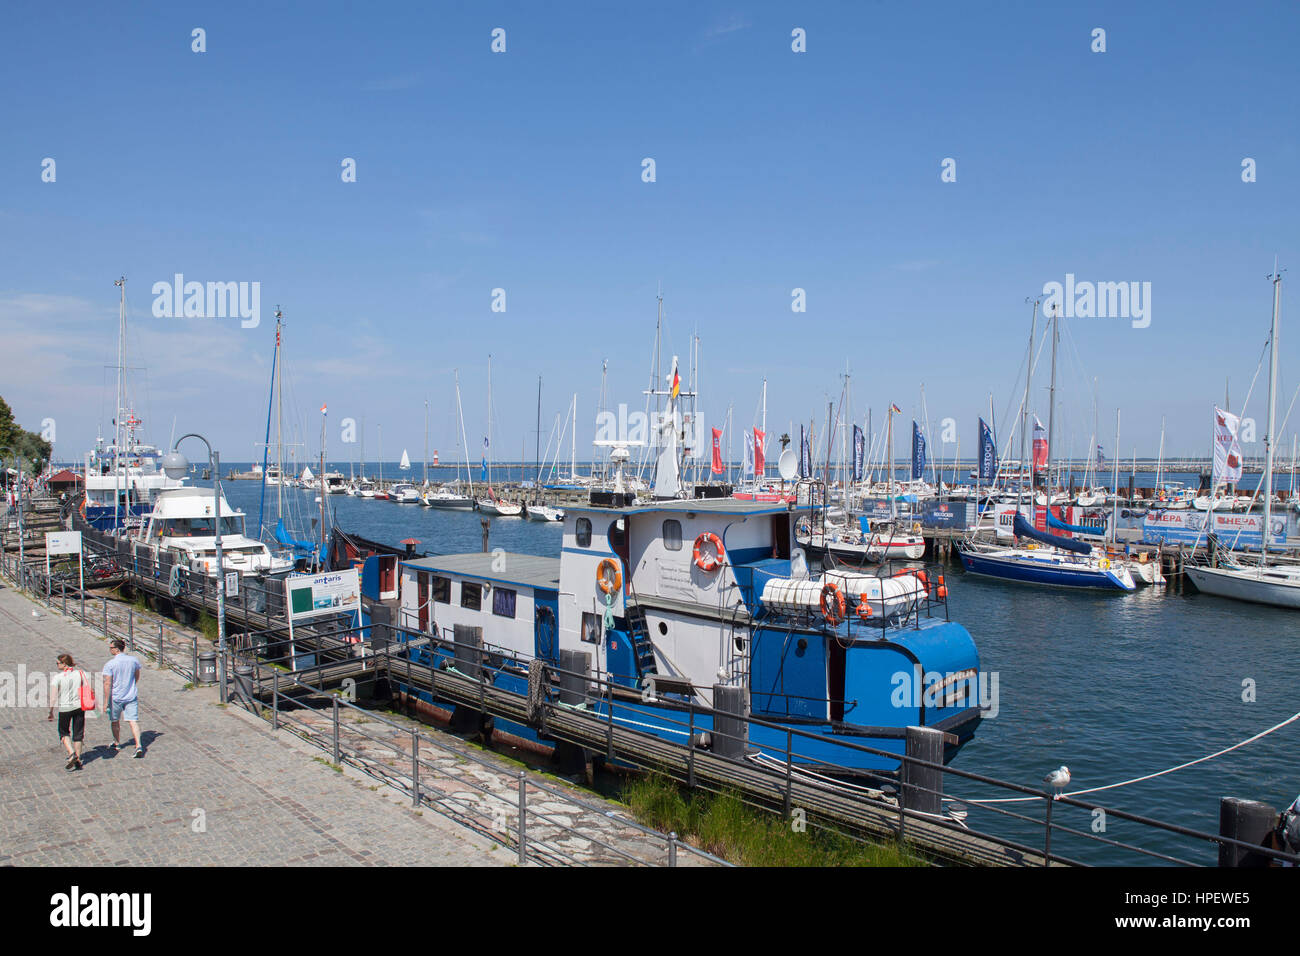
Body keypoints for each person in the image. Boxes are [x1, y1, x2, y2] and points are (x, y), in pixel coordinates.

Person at [102, 638, 143, 757]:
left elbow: (107, 683)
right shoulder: (133, 660)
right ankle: (138, 744)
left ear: (116, 649)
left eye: (111, 648)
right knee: (133, 721)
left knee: (115, 721)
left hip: (116, 697)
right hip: (131, 695)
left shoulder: (110, 664)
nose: (110, 650)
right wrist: (131, 685)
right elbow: (137, 675)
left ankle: (117, 742)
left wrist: (105, 702)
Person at [48, 653, 87, 771]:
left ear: (64, 664)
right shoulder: (80, 673)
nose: (57, 665)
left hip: (65, 708)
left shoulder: (58, 677)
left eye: (58, 663)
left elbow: (53, 696)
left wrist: (51, 711)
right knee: (78, 733)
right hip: (79, 707)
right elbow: (86, 688)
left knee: (63, 731)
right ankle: (78, 759)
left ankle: (71, 753)